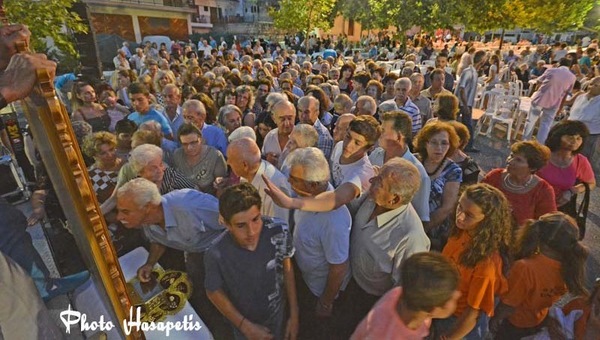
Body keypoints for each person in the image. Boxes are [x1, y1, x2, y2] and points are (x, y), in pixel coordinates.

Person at [116, 178, 228, 336]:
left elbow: (232, 220)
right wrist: (150, 263)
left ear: (148, 207)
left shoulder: (189, 205)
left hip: (223, 255)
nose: (118, 217)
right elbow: (158, 240)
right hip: (195, 257)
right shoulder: (147, 220)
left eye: (125, 211)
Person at [345, 158, 430, 334]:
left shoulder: (411, 237)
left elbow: (403, 288)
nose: (371, 181)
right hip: (349, 282)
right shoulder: (375, 197)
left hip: (370, 302)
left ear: (394, 199)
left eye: (379, 182)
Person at [204, 183, 299, 340]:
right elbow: (213, 291)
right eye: (241, 225)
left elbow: (287, 266)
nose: (252, 231)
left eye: (256, 219)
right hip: (243, 322)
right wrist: (245, 327)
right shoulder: (215, 253)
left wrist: (294, 315)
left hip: (277, 315)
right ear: (226, 224)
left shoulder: (279, 230)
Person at [490, 213, 588, 339]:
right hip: (539, 319)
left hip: (513, 323)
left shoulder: (525, 268)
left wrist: (495, 319)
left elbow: (509, 304)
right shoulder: (570, 268)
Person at [286, 148, 351, 339]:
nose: (289, 182)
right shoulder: (307, 197)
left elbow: (338, 268)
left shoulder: (333, 220)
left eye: (294, 179)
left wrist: (325, 302)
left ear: (313, 185)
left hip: (319, 291)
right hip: (306, 279)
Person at [435, 183, 512, 339]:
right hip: (443, 310)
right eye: (459, 208)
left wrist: (450, 337)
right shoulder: (461, 232)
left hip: (458, 323)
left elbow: (472, 313)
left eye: (469, 215)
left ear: (487, 221)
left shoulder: (485, 263)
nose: (460, 216)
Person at [263, 115, 381, 213]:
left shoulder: (362, 173)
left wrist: (290, 202)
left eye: (357, 143)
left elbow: (337, 198)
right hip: (315, 207)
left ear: (369, 148)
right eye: (348, 136)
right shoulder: (339, 146)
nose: (348, 145)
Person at [351, 252, 461, 340]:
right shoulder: (388, 335)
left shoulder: (400, 293)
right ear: (432, 310)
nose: (458, 294)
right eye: (450, 297)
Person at [369, 110, 430, 222]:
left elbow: (421, 216)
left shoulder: (418, 173)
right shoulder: (375, 155)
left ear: (399, 136)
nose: (379, 134)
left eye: (383, 131)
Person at [537, 120, 595, 237]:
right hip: (535, 204)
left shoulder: (581, 161)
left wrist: (572, 191)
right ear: (558, 136)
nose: (574, 141)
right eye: (570, 137)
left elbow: (591, 183)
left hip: (559, 209)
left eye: (579, 138)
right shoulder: (542, 154)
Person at [482, 140, 557, 227]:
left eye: (518, 160)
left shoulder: (543, 190)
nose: (510, 161)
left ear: (532, 168)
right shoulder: (494, 176)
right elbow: (475, 200)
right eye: (511, 156)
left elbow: (547, 225)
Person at [414, 121, 462, 250]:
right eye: (434, 142)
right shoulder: (413, 162)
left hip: (433, 229)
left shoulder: (454, 170)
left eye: (444, 143)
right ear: (425, 143)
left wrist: (421, 229)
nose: (439, 148)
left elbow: (447, 207)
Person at [227, 137, 291, 222]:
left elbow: (278, 230)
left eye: (230, 159)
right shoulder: (247, 175)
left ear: (245, 165)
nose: (227, 162)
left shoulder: (273, 188)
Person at [523, 58, 577, 144]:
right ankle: (539, 144)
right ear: (569, 66)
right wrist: (560, 107)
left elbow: (538, 81)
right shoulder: (572, 77)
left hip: (541, 98)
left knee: (530, 121)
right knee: (546, 125)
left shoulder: (551, 70)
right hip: (555, 102)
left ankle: (525, 141)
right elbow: (566, 94)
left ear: (559, 63)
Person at [172, 123, 226, 196]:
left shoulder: (215, 155)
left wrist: (219, 182)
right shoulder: (177, 155)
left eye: (193, 143)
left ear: (201, 139)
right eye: (185, 144)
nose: (189, 148)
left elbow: (222, 184)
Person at [568, 76, 600, 177]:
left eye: (595, 85)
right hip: (571, 130)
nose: (591, 87)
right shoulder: (580, 97)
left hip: (589, 135)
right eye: (590, 83)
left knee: (582, 158)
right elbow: (572, 113)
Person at [455, 50, 486, 152]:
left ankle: (466, 145)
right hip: (462, 103)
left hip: (466, 103)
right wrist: (464, 105)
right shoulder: (468, 72)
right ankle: (465, 145)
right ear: (481, 61)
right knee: (461, 123)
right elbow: (462, 89)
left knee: (466, 124)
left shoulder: (474, 72)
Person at [262, 99, 297, 166]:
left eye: (290, 118)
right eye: (282, 119)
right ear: (274, 119)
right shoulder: (269, 137)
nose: (287, 123)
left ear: (295, 116)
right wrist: (267, 162)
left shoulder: (302, 139)